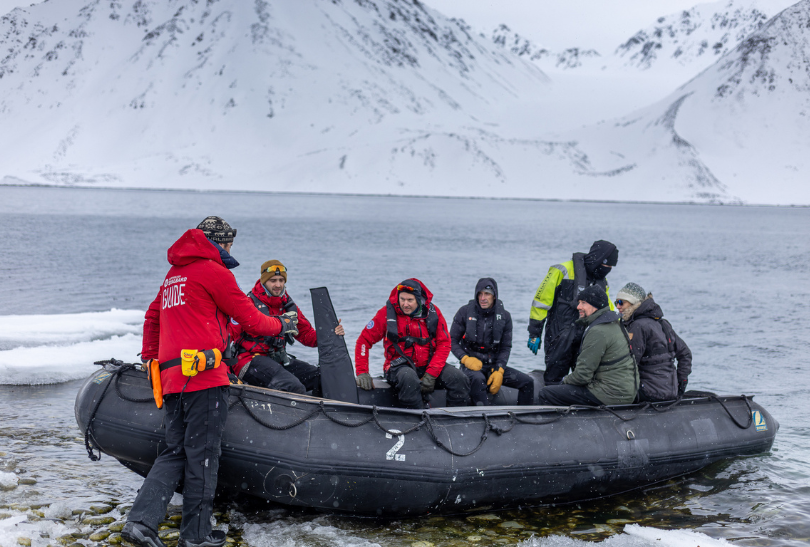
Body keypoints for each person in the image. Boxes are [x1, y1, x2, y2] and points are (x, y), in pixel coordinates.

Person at [123, 217, 298, 547]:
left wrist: (150, 358)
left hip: (174, 379)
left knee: (175, 452)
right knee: (204, 456)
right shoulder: (215, 272)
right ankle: (196, 535)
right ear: (222, 244)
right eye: (229, 243)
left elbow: (153, 318)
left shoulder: (173, 276)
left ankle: (141, 523)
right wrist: (281, 324)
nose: (231, 249)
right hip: (204, 378)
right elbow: (251, 319)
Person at [229, 260, 344, 395]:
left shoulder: (288, 305)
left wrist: (330, 333)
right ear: (263, 281)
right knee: (291, 386)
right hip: (248, 361)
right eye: (273, 280)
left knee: (322, 378)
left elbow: (308, 336)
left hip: (277, 360)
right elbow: (227, 336)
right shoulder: (248, 303)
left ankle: (326, 413)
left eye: (281, 280)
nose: (278, 285)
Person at [354, 279, 469, 408]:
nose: (405, 304)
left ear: (419, 300)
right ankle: (415, 420)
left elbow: (444, 344)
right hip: (398, 368)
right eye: (402, 299)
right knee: (409, 379)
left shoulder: (433, 313)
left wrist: (431, 374)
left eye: (410, 300)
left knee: (458, 378)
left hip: (428, 365)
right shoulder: (386, 313)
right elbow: (363, 341)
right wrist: (362, 371)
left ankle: (454, 420)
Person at [527, 240, 619, 385]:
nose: (607, 269)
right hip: (559, 334)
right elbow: (541, 302)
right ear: (598, 259)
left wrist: (619, 328)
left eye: (610, 267)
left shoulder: (602, 282)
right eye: (606, 265)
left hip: (586, 338)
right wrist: (534, 333)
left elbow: (608, 308)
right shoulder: (561, 270)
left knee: (585, 379)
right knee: (554, 378)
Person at [536, 285, 638, 407]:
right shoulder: (614, 323)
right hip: (625, 391)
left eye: (583, 303)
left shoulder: (598, 331)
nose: (578, 307)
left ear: (596, 305)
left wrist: (563, 381)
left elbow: (582, 376)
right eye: (579, 302)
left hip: (610, 393)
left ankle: (555, 425)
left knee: (547, 393)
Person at [450, 277, 534, 405]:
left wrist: (500, 369)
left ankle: (525, 419)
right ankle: (483, 414)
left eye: (487, 294)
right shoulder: (464, 312)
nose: (483, 298)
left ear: (494, 296)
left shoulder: (505, 316)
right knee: (478, 379)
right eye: (480, 294)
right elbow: (451, 341)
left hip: (493, 366)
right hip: (472, 366)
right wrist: (465, 359)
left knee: (527, 382)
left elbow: (506, 347)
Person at [615, 282, 692, 401]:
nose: (617, 306)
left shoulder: (637, 326)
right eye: (616, 302)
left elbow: (629, 363)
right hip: (670, 391)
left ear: (634, 303)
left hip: (648, 392)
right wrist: (680, 385)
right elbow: (685, 354)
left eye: (621, 302)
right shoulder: (663, 324)